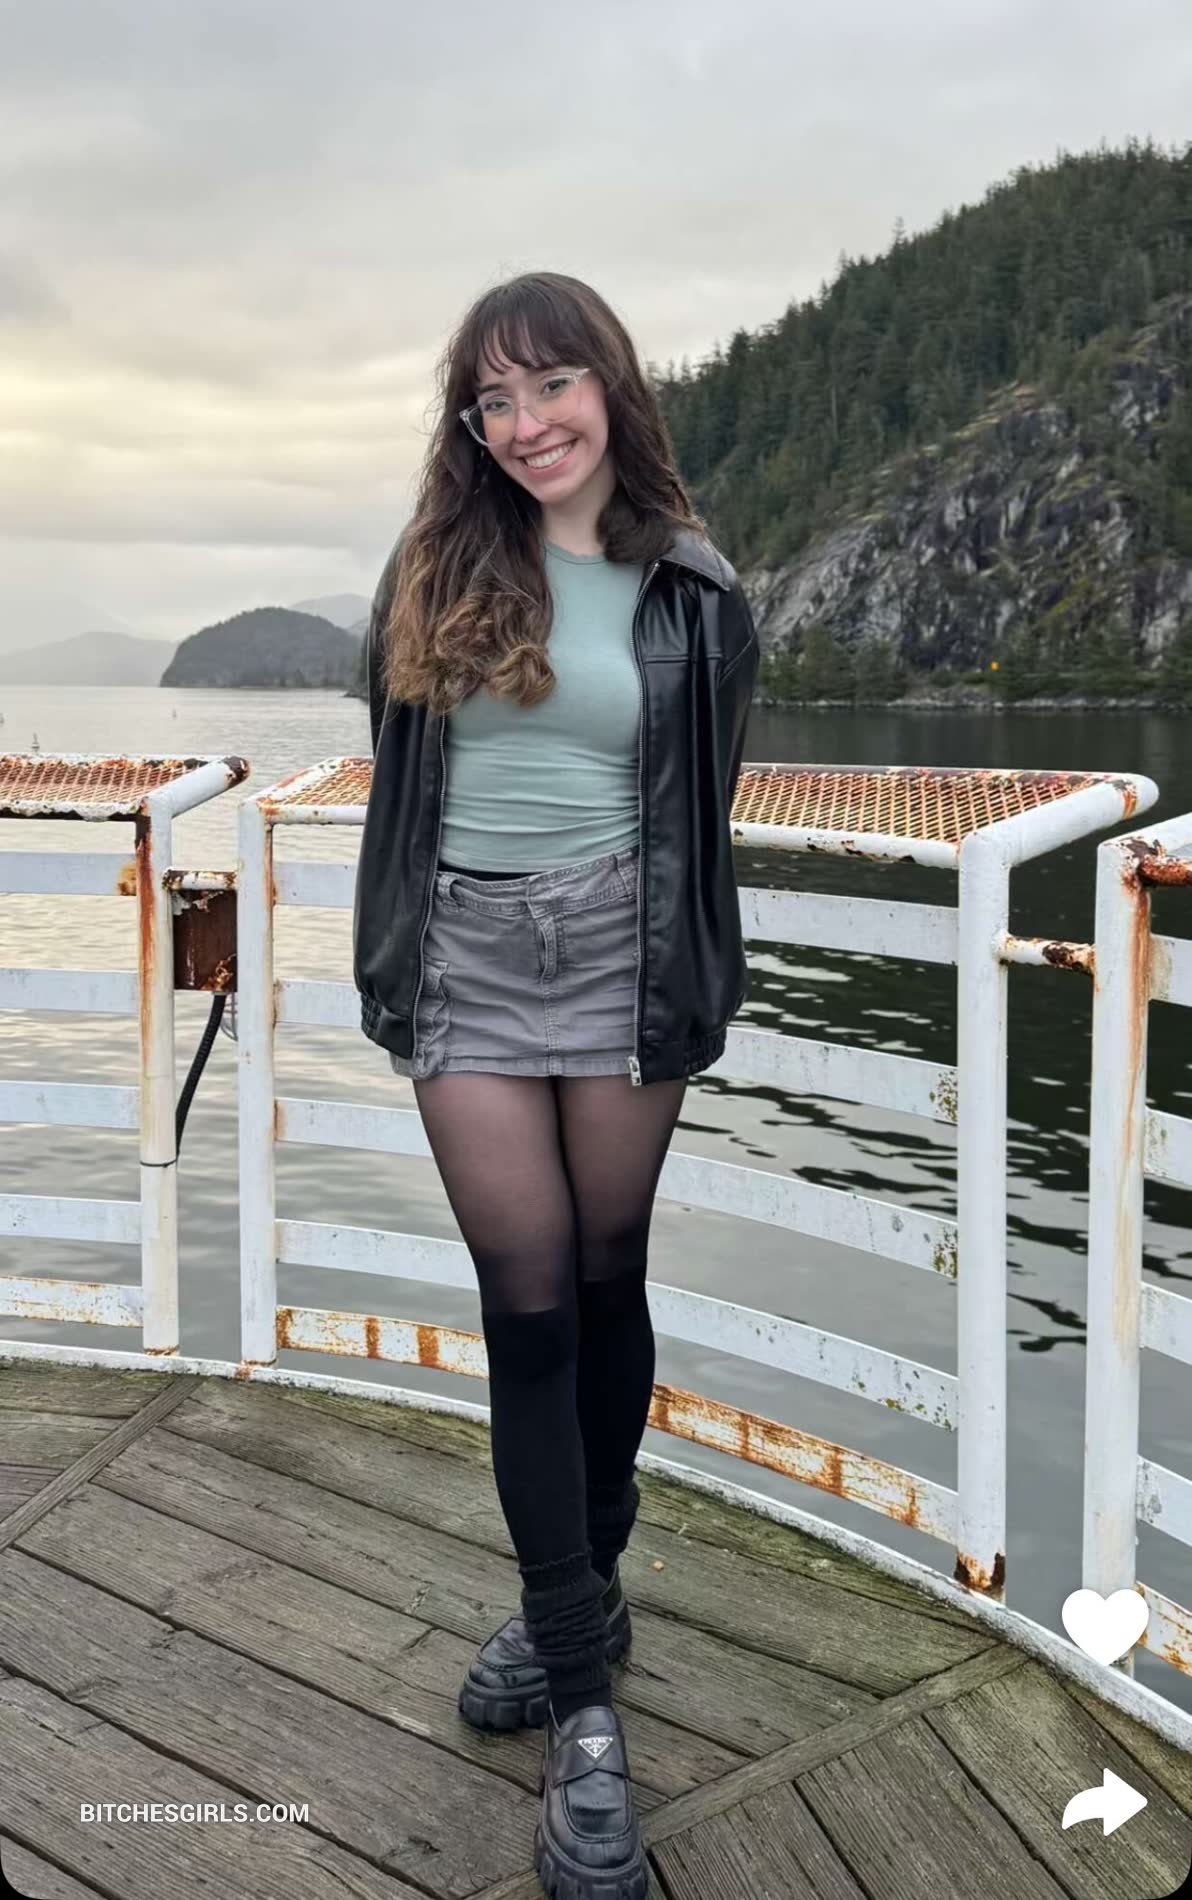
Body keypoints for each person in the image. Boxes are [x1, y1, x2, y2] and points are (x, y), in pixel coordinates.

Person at [352, 270, 759, 1899]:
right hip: (463, 953)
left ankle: (576, 1590)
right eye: (494, 401)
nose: (526, 425)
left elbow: (701, 805)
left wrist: (678, 966)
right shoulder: (434, 566)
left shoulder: (694, 591)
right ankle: (586, 1707)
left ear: (611, 386)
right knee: (524, 1310)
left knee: (604, 1281)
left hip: (618, 951)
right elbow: (401, 778)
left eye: (551, 386)